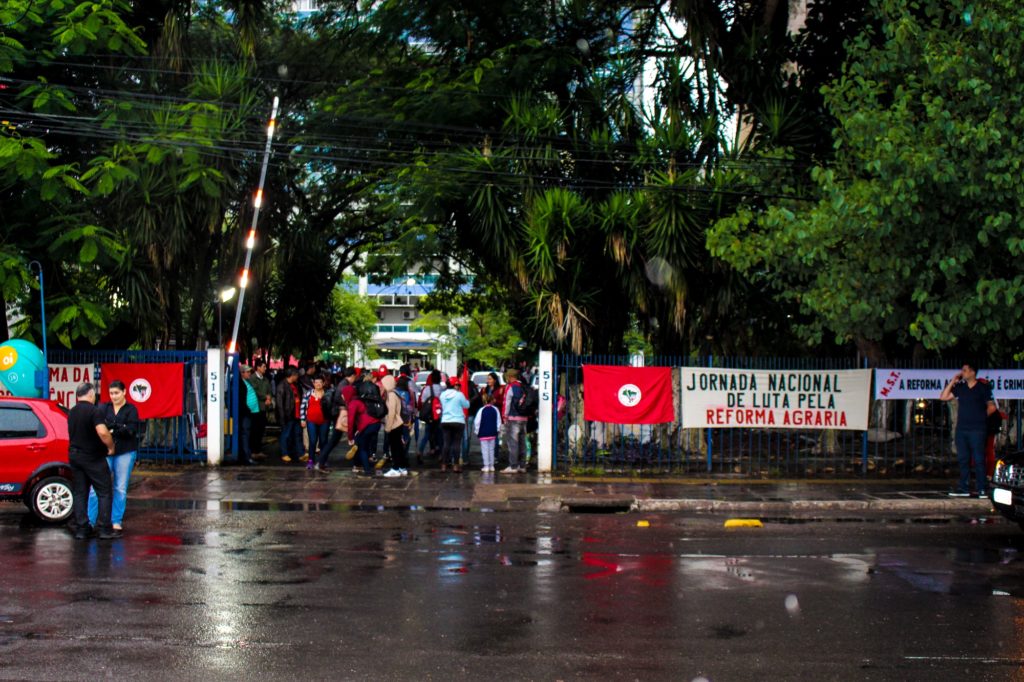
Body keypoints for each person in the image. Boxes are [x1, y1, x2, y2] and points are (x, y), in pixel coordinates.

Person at [86, 380, 142, 532]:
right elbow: (100, 426)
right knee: (95, 487)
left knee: (120, 488)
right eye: (111, 393)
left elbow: (131, 430)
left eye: (117, 393)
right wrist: (118, 428)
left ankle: (116, 520)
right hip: (105, 451)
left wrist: (113, 429)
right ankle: (90, 521)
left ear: (124, 392)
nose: (114, 396)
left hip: (125, 452)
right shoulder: (104, 408)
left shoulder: (131, 410)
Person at [68, 383, 118, 540]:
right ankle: (104, 528)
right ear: (91, 394)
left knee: (80, 492)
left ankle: (82, 529)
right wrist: (110, 447)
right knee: (104, 492)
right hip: (93, 457)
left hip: (75, 456)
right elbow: (103, 432)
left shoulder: (72, 411)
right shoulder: (94, 411)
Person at [940, 363, 996, 498]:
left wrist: (981, 416)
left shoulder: (983, 387)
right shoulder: (960, 387)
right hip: (962, 429)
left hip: (977, 429)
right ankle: (963, 487)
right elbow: (943, 397)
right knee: (963, 459)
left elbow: (992, 407)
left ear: (972, 372)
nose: (962, 373)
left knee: (978, 459)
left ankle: (982, 488)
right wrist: (953, 381)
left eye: (965, 370)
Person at [347, 378, 383, 476]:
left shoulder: (354, 403)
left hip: (367, 426)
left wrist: (350, 437)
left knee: (362, 447)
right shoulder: (368, 399)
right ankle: (359, 464)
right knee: (365, 445)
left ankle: (367, 470)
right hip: (376, 425)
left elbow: (350, 421)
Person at [381, 375, 410, 477]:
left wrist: (388, 427)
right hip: (399, 424)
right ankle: (402, 468)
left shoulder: (391, 395)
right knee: (399, 447)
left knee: (394, 448)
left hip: (394, 424)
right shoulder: (395, 393)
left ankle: (395, 468)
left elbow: (391, 412)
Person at [439, 375, 470, 473]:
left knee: (446, 443)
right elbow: (466, 405)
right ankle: (455, 466)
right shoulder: (459, 394)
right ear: (455, 385)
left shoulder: (442, 395)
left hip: (445, 421)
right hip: (458, 421)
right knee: (456, 444)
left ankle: (444, 465)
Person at [301, 374, 332, 471]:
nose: (318, 384)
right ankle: (311, 460)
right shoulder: (308, 393)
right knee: (313, 441)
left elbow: (331, 407)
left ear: (323, 383)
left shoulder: (327, 393)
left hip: (324, 421)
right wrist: (302, 419)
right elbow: (303, 406)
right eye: (316, 382)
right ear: (313, 383)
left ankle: (323, 461)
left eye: (320, 382)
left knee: (323, 441)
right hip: (311, 421)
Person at [501, 369, 529, 474]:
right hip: (524, 418)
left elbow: (507, 402)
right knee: (522, 443)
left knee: (513, 443)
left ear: (510, 377)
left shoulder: (511, 387)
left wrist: (505, 416)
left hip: (513, 418)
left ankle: (513, 466)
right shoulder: (523, 386)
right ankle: (522, 466)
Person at [275, 368, 302, 463]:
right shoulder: (282, 386)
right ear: (292, 375)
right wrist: (282, 418)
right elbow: (279, 404)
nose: (297, 377)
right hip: (288, 415)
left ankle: (300, 453)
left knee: (297, 434)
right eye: (296, 375)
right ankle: (284, 453)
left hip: (295, 414)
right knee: (285, 435)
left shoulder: (294, 385)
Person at [249, 360, 272, 460]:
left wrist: (269, 398)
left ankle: (258, 450)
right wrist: (265, 397)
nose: (265, 368)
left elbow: (269, 391)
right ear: (258, 367)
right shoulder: (252, 378)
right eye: (263, 366)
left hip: (264, 408)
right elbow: (255, 391)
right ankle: (253, 451)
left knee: (261, 430)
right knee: (254, 430)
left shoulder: (266, 379)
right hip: (255, 408)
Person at [418, 370, 444, 461]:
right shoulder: (442, 389)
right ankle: (441, 454)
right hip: (438, 416)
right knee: (440, 435)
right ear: (440, 379)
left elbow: (422, 401)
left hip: (429, 416)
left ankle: (420, 451)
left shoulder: (427, 389)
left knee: (427, 434)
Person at [474, 392, 502, 473]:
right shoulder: (495, 409)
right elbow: (498, 421)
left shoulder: (481, 410)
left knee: (485, 450)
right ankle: (492, 466)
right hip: (493, 433)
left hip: (483, 433)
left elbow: (477, 422)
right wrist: (498, 430)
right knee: (491, 449)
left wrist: (477, 431)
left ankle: (486, 466)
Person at [236, 364, 258, 465]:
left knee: (247, 435)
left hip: (249, 413)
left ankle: (247, 455)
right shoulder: (240, 383)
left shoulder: (246, 382)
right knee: (245, 435)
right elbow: (241, 400)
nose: (250, 373)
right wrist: (248, 410)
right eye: (248, 372)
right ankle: (246, 457)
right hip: (245, 413)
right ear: (242, 373)